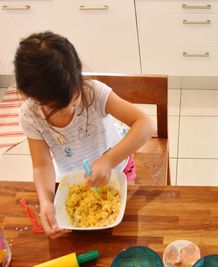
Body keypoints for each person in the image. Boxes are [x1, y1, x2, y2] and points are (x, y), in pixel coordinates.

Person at [15, 32, 156, 238]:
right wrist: (46, 201)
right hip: (70, 179)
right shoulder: (30, 115)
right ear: (33, 97)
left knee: (123, 226)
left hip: (118, 168)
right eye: (59, 107)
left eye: (74, 99)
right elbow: (41, 165)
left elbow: (146, 125)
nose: (72, 108)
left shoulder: (93, 93)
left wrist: (108, 161)